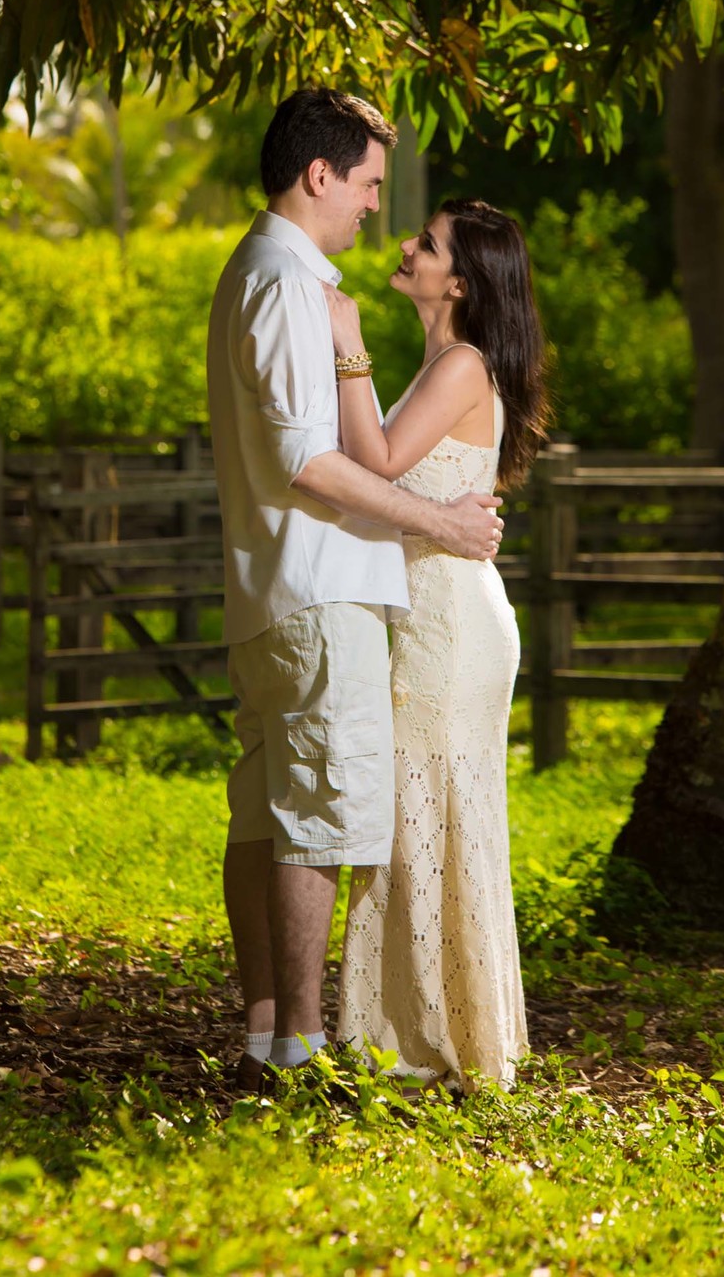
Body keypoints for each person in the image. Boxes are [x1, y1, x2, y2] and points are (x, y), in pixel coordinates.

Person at [205, 91, 504, 1092]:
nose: (377, 206)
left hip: (269, 587)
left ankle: (262, 1034)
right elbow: (309, 461)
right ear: (319, 174)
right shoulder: (287, 282)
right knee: (316, 822)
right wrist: (444, 523)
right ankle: (296, 1042)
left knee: (264, 816)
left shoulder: (261, 271)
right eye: (371, 183)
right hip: (317, 585)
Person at [328, 197, 551, 1093]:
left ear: (457, 282)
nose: (407, 246)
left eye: (426, 243)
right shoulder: (448, 361)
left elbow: (377, 460)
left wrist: (346, 346)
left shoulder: (461, 362)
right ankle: (416, 1030)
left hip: (450, 629)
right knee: (417, 815)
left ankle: (427, 1041)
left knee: (428, 815)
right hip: (434, 615)